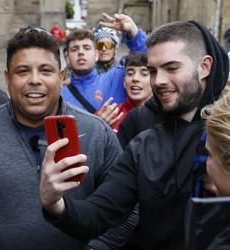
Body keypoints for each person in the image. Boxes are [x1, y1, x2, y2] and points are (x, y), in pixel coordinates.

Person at [40, 21, 229, 249]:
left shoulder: (223, 134)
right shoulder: (145, 144)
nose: (158, 80)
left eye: (171, 68)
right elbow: (98, 213)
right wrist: (55, 203)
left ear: (205, 66)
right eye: (153, 70)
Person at [0, 27, 137, 250]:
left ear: (61, 76)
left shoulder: (97, 133)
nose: (34, 80)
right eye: (23, 71)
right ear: (7, 79)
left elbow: (126, 209)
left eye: (46, 71)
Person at [60, 29, 126, 113]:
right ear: (67, 58)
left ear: (96, 55)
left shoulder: (116, 78)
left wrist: (134, 34)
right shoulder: (59, 97)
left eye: (86, 48)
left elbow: (142, 64)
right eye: (74, 49)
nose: (81, 52)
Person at [97, 52, 152, 133]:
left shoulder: (166, 116)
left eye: (144, 74)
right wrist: (97, 127)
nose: (135, 78)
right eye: (130, 74)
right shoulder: (106, 114)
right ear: (124, 82)